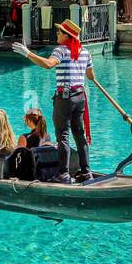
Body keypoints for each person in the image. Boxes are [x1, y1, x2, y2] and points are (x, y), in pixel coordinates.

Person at [15, 20, 94, 183]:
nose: (57, 34)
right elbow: (91, 76)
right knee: (79, 134)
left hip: (65, 98)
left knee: (62, 135)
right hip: (80, 98)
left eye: (59, 32)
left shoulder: (61, 50)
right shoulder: (85, 52)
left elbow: (48, 65)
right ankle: (86, 171)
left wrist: (28, 53)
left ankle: (63, 174)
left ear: (67, 36)